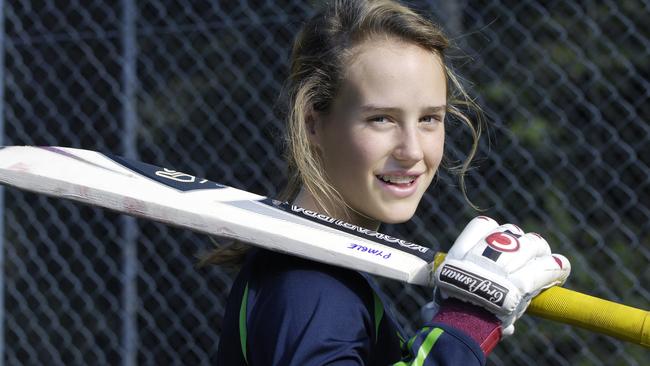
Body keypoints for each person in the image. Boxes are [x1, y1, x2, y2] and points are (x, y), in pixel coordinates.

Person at [208, 0, 571, 364]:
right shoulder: (311, 286)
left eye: (429, 118)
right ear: (312, 123)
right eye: (381, 119)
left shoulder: (312, 271)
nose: (412, 150)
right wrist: (464, 327)